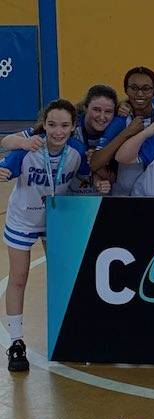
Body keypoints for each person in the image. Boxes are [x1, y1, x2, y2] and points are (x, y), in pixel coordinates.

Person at [0, 100, 95, 371]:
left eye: (64, 125)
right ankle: (17, 342)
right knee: (18, 278)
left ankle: (69, 338)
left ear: (73, 127)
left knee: (64, 279)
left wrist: (97, 180)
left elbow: (84, 178)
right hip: (24, 218)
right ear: (44, 124)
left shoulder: (76, 151)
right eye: (52, 124)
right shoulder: (28, 149)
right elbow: (7, 157)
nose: (58, 131)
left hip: (56, 220)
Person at [1, 84, 121, 195]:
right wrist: (24, 143)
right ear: (85, 108)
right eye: (96, 110)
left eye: (108, 112)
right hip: (66, 196)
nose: (102, 117)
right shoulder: (63, 124)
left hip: (95, 194)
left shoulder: (116, 129)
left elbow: (107, 175)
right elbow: (6, 141)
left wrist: (96, 161)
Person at [91, 66, 154, 195]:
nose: (140, 94)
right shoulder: (120, 120)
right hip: (124, 195)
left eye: (146, 89)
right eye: (133, 88)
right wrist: (127, 132)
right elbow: (94, 163)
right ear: (126, 90)